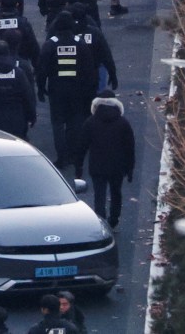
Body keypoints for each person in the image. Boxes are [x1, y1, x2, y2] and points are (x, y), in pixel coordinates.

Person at [37, 12, 99, 175]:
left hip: (57, 89)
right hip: (77, 89)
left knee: (57, 123)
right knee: (75, 121)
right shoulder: (80, 44)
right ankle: (72, 153)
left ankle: (61, 156)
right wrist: (90, 91)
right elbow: (89, 69)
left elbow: (42, 68)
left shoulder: (50, 44)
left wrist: (41, 88)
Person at [78, 90, 135, 228]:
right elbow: (130, 148)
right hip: (117, 166)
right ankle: (114, 218)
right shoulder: (123, 123)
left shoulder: (90, 122)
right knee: (116, 192)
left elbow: (82, 146)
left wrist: (78, 166)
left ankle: (101, 222)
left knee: (99, 195)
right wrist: (130, 169)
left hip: (97, 165)